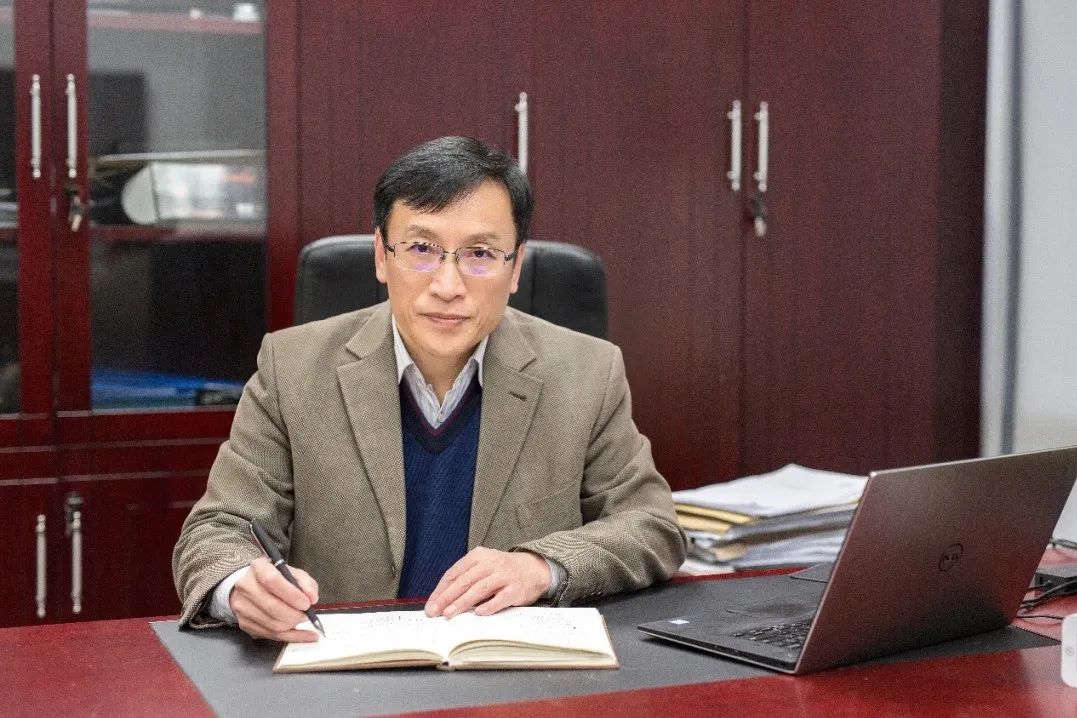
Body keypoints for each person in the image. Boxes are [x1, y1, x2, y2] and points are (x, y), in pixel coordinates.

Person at [173, 136, 685, 642]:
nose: (448, 286)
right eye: (421, 249)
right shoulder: (293, 369)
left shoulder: (586, 373)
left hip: (513, 671)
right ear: (381, 256)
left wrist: (542, 566)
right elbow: (217, 530)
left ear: (515, 268)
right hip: (345, 672)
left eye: (480, 253)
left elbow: (651, 525)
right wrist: (238, 586)